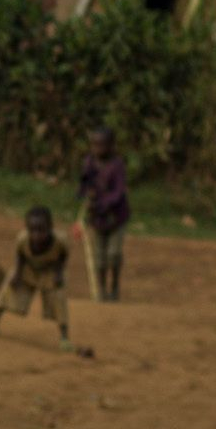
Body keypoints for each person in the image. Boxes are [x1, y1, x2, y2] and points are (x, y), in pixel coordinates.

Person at [0, 204, 88, 356]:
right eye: (32, 230)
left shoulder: (60, 240)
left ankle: (64, 338)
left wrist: (59, 273)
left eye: (41, 230)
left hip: (50, 270)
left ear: (50, 227)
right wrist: (17, 274)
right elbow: (20, 256)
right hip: (28, 267)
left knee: (59, 298)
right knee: (9, 287)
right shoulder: (22, 239)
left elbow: (63, 256)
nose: (36, 235)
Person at [73, 128, 135, 305]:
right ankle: (100, 290)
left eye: (101, 145)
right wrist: (85, 194)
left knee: (114, 255)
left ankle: (114, 286)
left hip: (116, 218)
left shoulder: (117, 165)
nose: (97, 149)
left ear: (111, 146)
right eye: (94, 145)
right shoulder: (89, 163)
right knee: (98, 258)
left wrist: (102, 203)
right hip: (96, 219)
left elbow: (118, 193)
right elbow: (83, 184)